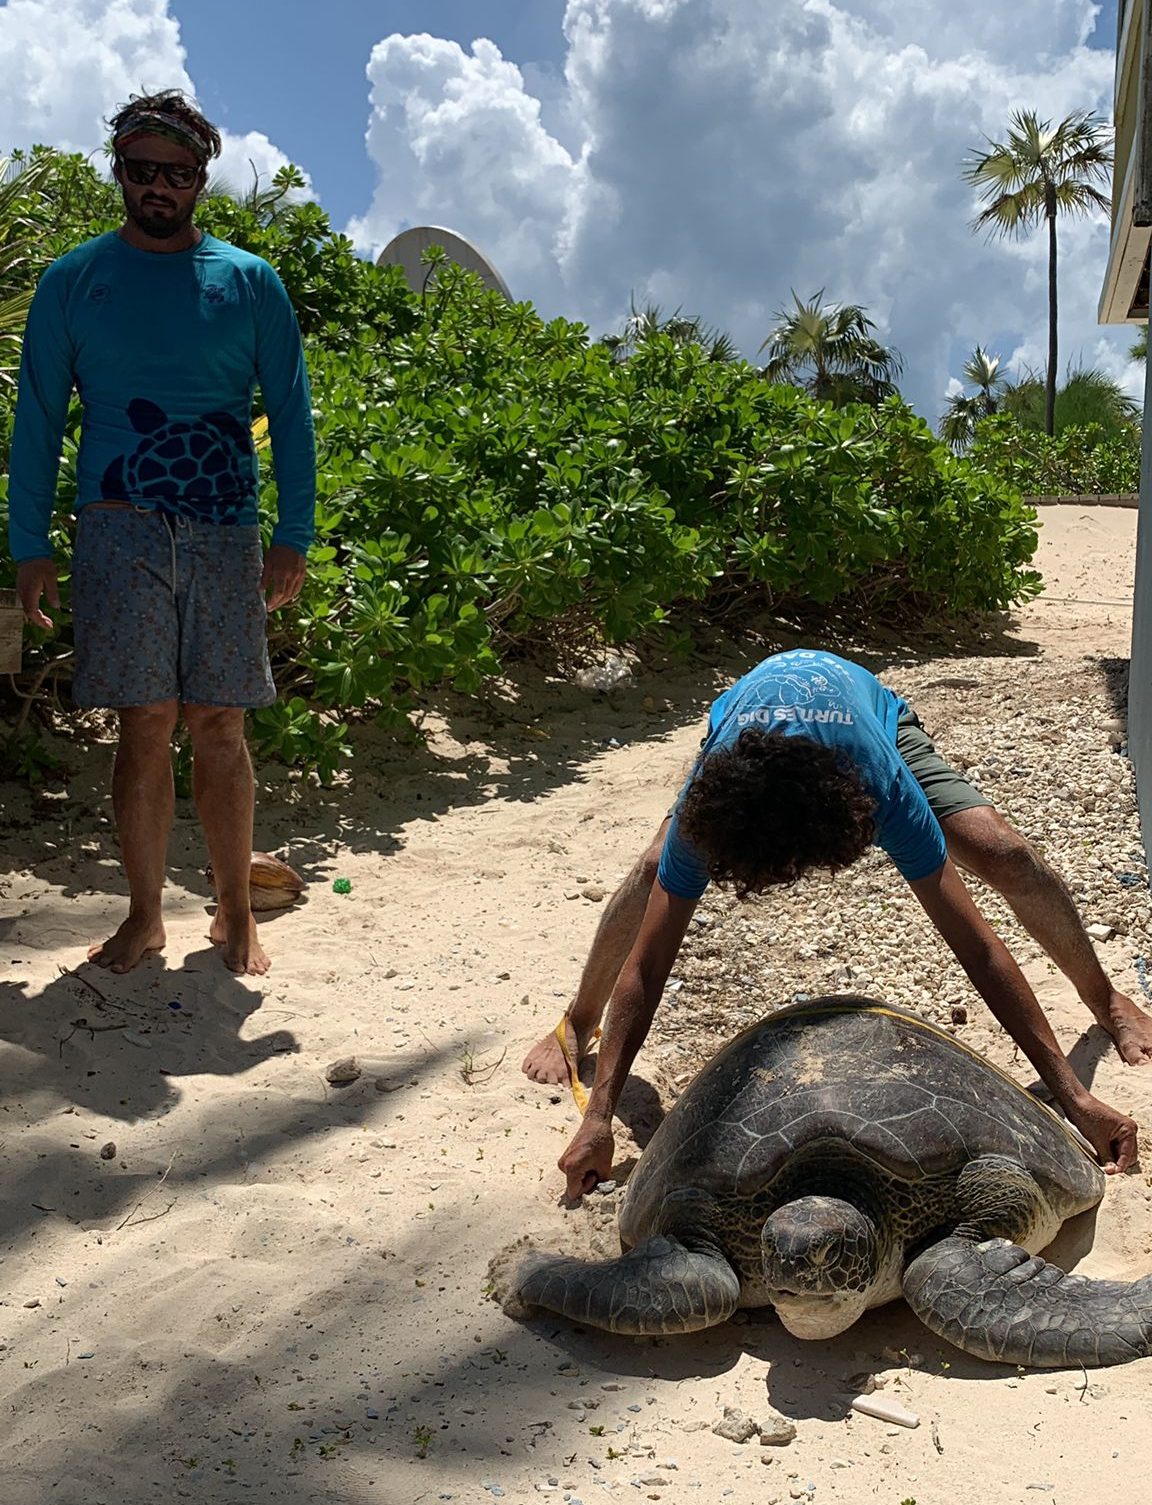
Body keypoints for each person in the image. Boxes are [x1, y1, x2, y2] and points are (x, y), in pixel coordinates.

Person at [523, 648, 1151, 1195]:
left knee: (1001, 851)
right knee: (656, 868)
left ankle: (1107, 999)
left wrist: (1074, 1098)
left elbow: (978, 948)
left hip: (869, 715)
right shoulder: (710, 808)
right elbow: (650, 962)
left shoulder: (882, 789)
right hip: (743, 737)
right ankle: (579, 1021)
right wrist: (598, 1116)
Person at [8, 90, 315, 976]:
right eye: (142, 170)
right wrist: (30, 544)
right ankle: (145, 915)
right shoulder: (75, 280)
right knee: (143, 723)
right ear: (119, 170)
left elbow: (290, 412)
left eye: (175, 174)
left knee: (220, 722)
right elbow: (37, 418)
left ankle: (234, 914)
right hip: (115, 530)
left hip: (225, 530)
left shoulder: (249, 282)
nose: (157, 188)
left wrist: (293, 529)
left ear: (199, 181)